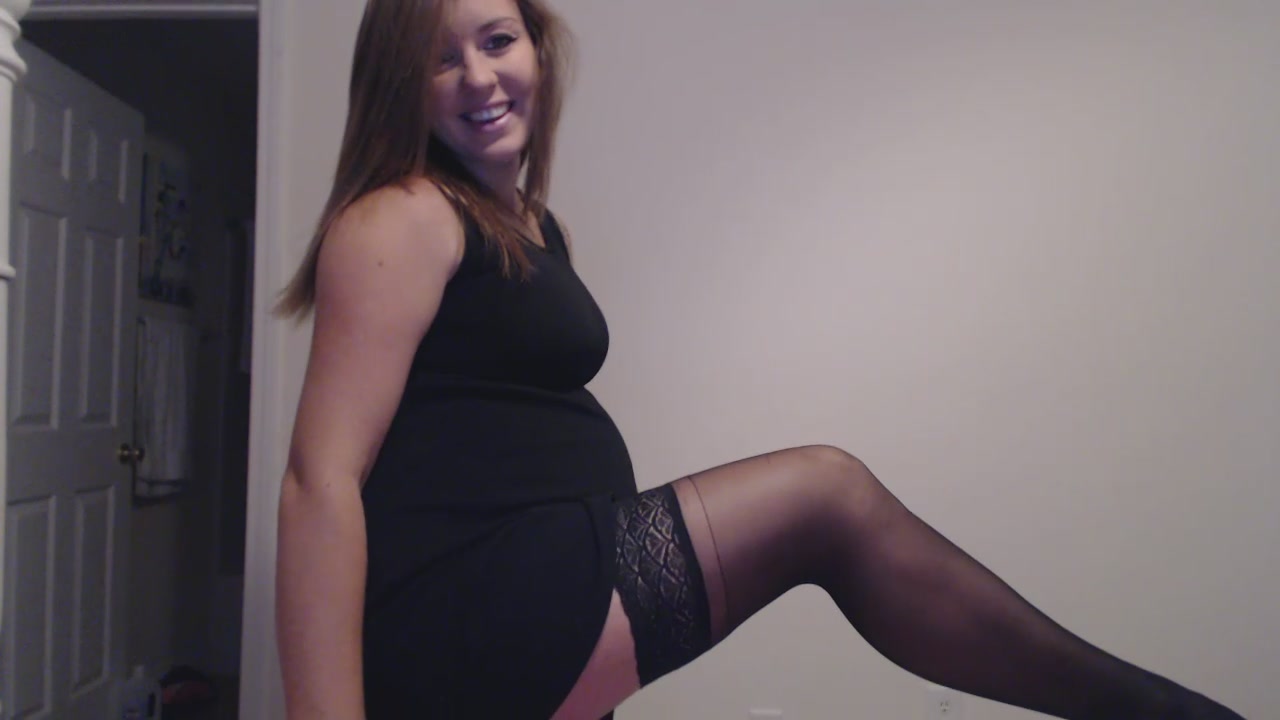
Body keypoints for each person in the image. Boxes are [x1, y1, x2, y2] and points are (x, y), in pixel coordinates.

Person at [272, 0, 1250, 718]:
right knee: (827, 495)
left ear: (537, 46)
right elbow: (321, 482)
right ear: (401, 84)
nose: (481, 77)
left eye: (497, 41)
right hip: (473, 601)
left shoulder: (530, 224)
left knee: (827, 499)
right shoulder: (400, 217)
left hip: (539, 586)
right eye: (442, 59)